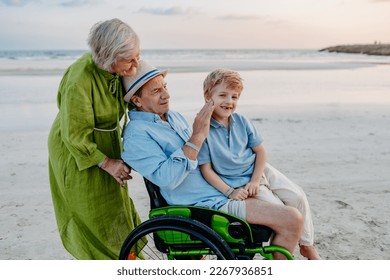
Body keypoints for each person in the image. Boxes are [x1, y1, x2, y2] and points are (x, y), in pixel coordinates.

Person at [121, 60, 304, 259]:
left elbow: (207, 153)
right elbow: (168, 179)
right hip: (206, 204)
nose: (166, 94)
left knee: (293, 199)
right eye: (156, 91)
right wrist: (196, 137)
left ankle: (305, 248)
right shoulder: (136, 135)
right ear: (137, 101)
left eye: (165, 86)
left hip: (224, 188)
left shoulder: (173, 116)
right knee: (291, 219)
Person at [197, 68, 321, 260]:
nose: (229, 102)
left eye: (234, 97)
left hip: (260, 170)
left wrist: (256, 180)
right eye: (222, 95)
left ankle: (306, 245)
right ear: (208, 96)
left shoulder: (241, 121)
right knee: (282, 212)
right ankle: (275, 257)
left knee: (298, 196)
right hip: (238, 182)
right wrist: (230, 191)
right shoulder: (203, 129)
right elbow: (206, 169)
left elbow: (261, 151)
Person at [48, 18, 142, 259]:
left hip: (106, 140)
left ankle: (125, 254)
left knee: (116, 203)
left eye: (137, 55)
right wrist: (107, 163)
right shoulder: (80, 80)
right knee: (90, 209)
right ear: (109, 57)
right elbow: (75, 134)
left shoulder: (123, 65)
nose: (136, 63)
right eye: (130, 59)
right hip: (77, 149)